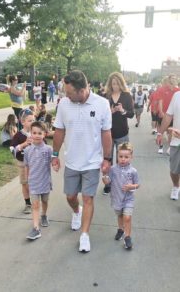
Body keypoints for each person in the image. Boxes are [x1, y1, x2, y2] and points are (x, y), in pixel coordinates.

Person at [52, 70, 112, 253]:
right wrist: (55, 155)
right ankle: (76, 212)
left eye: (69, 93)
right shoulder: (64, 104)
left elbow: (106, 133)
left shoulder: (102, 104)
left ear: (82, 90)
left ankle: (84, 235)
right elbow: (59, 131)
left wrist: (107, 159)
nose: (66, 96)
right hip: (71, 161)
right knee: (70, 196)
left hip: (92, 163)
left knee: (88, 198)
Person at [102, 142, 139, 250]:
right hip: (117, 198)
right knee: (120, 216)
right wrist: (104, 176)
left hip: (128, 199)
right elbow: (108, 182)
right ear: (117, 156)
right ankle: (120, 229)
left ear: (131, 157)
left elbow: (138, 185)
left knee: (127, 217)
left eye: (126, 157)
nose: (123, 159)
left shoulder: (133, 171)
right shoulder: (113, 169)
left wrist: (131, 186)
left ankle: (127, 237)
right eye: (120, 156)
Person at [103, 72, 134, 195]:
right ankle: (108, 184)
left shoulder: (126, 96)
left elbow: (131, 114)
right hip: (108, 133)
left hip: (122, 132)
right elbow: (101, 115)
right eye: (113, 83)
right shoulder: (106, 96)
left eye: (117, 83)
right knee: (107, 160)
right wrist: (110, 111)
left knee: (122, 160)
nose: (115, 86)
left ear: (121, 83)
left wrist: (122, 110)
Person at [24, 121, 52, 240]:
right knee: (35, 205)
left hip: (45, 181)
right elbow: (27, 166)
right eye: (34, 133)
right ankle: (36, 228)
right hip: (34, 182)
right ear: (30, 134)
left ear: (44, 134)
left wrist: (55, 165)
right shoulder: (27, 150)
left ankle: (44, 215)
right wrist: (27, 180)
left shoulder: (48, 150)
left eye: (39, 133)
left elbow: (54, 163)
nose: (36, 135)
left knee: (44, 201)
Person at [156, 91, 180, 200]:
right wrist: (160, 132)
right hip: (177, 141)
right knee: (174, 170)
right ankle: (176, 186)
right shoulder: (177, 96)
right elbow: (168, 115)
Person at [10, 109, 35, 214]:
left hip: (35, 163)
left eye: (33, 120)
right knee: (25, 183)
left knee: (35, 183)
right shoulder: (18, 136)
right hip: (23, 163)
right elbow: (13, 149)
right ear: (22, 122)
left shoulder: (36, 132)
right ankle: (28, 203)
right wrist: (24, 144)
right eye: (29, 121)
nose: (32, 122)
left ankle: (37, 201)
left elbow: (44, 144)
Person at [156, 74, 179, 154]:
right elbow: (160, 101)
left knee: (170, 132)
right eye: (171, 79)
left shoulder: (177, 90)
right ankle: (161, 146)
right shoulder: (162, 89)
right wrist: (161, 111)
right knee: (160, 130)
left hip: (173, 116)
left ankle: (170, 148)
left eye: (174, 79)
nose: (173, 80)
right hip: (164, 113)